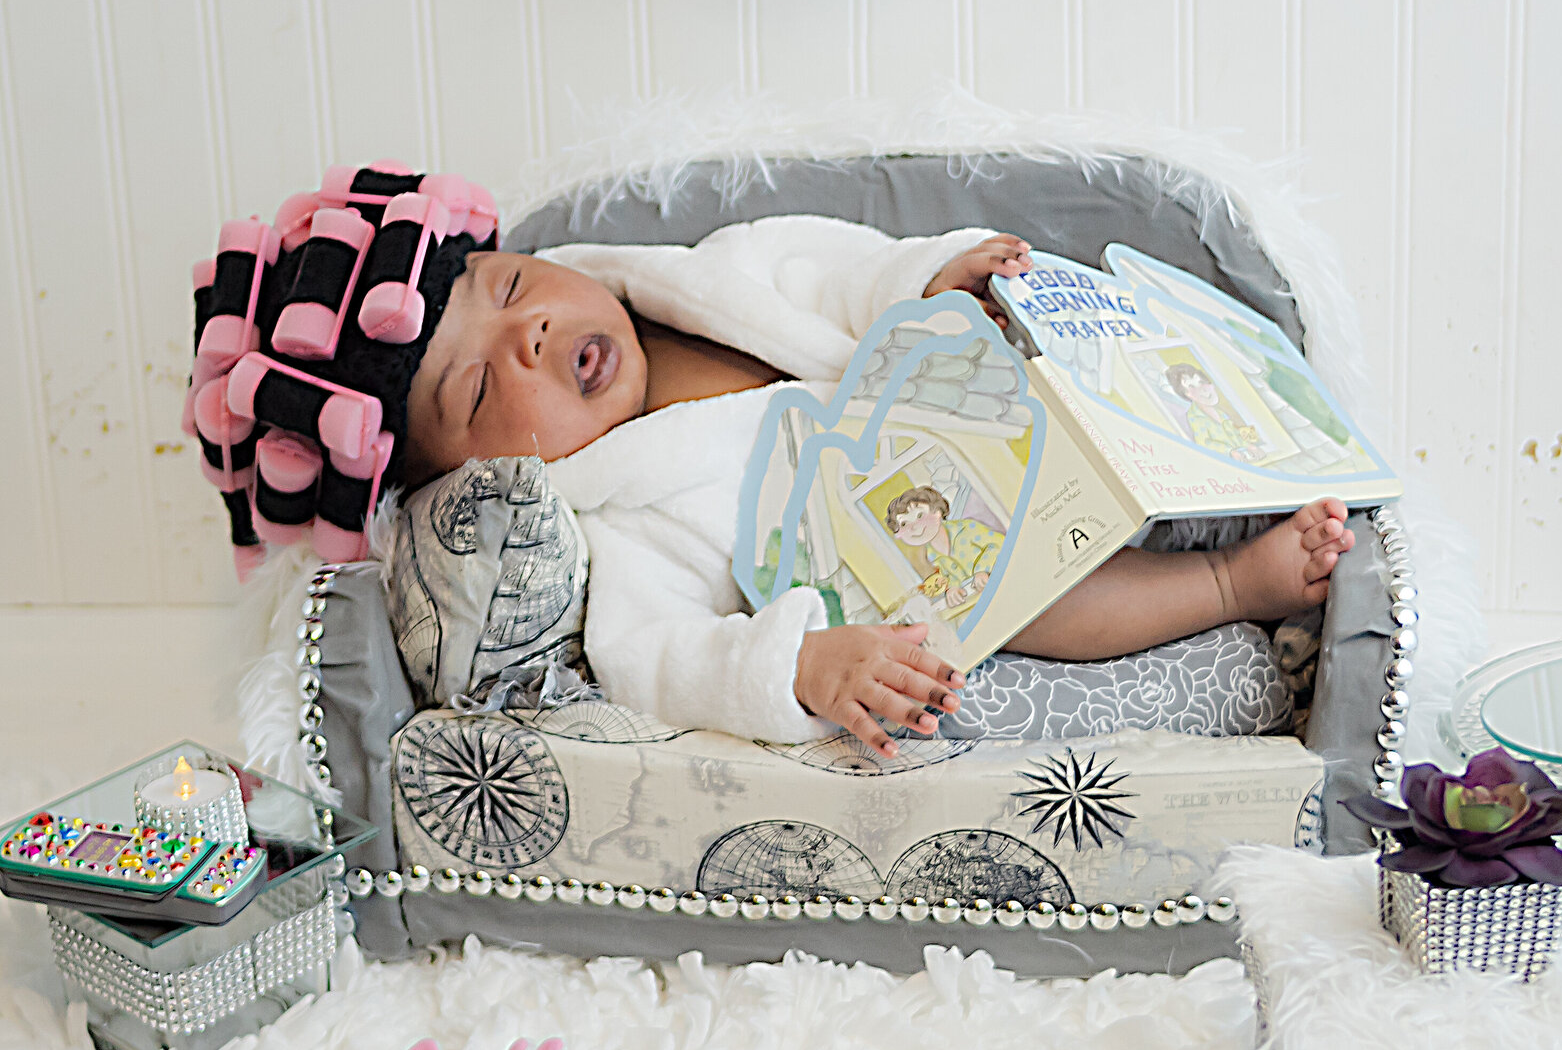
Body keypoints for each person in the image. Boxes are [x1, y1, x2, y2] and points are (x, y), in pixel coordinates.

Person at [188, 165, 1354, 759]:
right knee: (1024, 602)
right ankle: (1228, 585)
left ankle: (1219, 469)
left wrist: (937, 278)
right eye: (483, 387)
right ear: (461, 480)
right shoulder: (621, 524)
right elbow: (655, 656)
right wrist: (799, 665)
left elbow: (851, 268)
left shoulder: (729, 273)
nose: (529, 336)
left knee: (1101, 387)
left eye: (511, 290)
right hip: (938, 550)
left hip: (1001, 401)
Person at [883, 486, 1003, 612]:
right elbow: (949, 575)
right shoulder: (931, 554)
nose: (914, 527)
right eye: (904, 524)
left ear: (937, 511)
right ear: (899, 534)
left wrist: (982, 570)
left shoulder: (967, 528)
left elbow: (999, 543)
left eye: (919, 515)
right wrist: (952, 589)